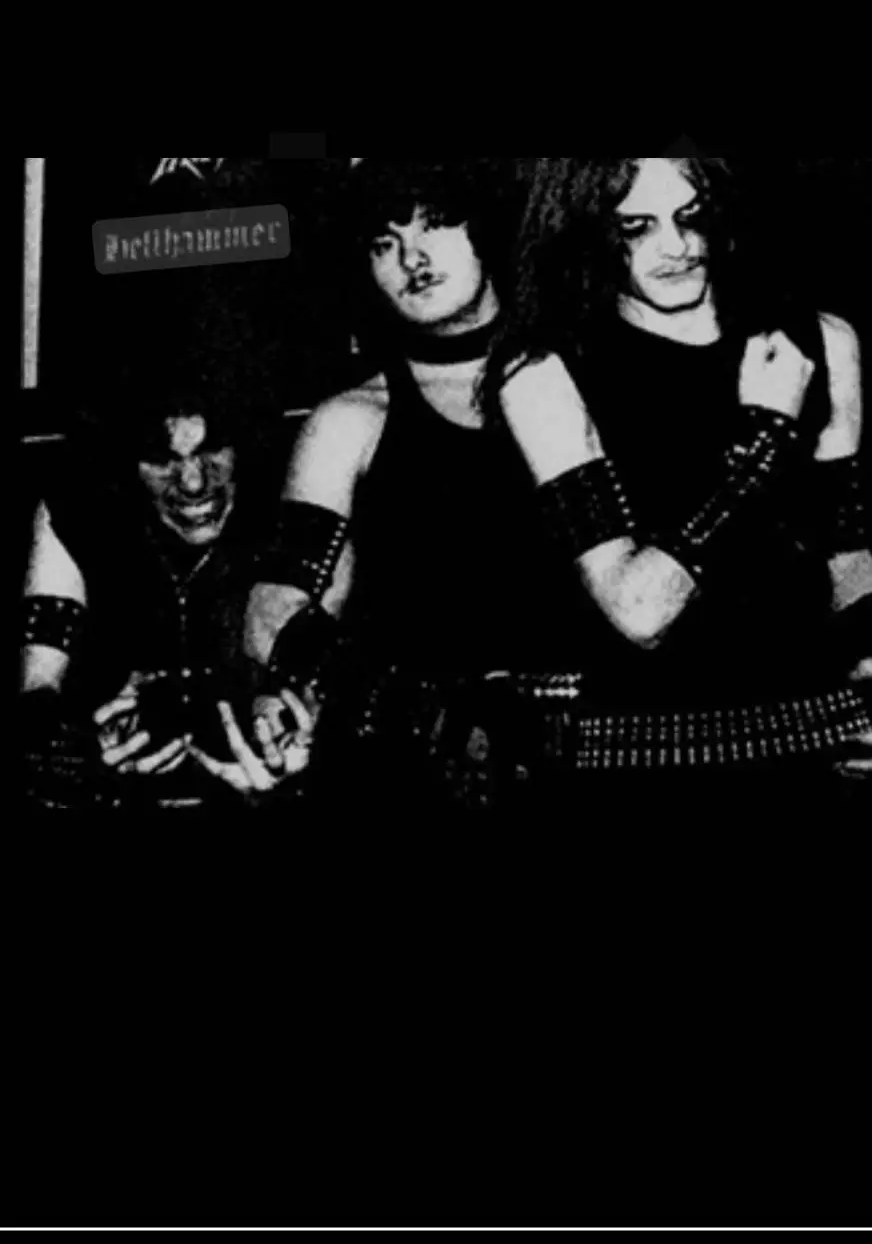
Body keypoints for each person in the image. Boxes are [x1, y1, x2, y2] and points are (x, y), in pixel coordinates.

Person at [479, 156, 871, 803]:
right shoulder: (544, 374)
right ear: (585, 231)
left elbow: (848, 556)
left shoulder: (820, 341)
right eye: (636, 227)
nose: (678, 246)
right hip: (642, 764)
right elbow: (638, 612)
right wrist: (762, 441)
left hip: (812, 744)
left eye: (692, 217)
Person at [244, 159, 583, 811]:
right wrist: (427, 711)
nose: (412, 258)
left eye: (436, 224)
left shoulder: (584, 378)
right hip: (419, 778)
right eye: (384, 242)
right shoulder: (350, 421)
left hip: (597, 761)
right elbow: (274, 618)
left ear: (486, 228)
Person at [21, 342, 311, 813]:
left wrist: (296, 750)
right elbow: (36, 694)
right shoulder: (74, 516)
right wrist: (77, 750)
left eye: (212, 450)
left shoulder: (297, 514)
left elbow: (322, 689)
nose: (193, 481)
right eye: (162, 459)